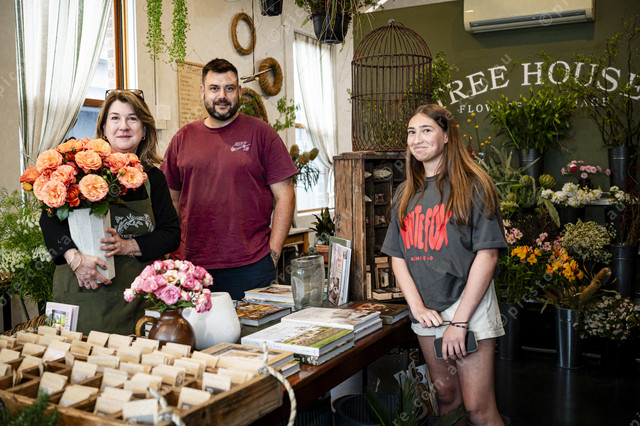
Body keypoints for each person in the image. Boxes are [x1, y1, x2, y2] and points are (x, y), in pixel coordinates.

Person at [381, 104, 506, 425]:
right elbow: (397, 256)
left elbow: (488, 256)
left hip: (469, 307)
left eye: (427, 130)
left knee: (478, 408)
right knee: (447, 398)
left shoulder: (475, 185)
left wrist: (460, 323)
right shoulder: (405, 193)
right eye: (411, 132)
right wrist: (417, 307)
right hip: (427, 312)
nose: (417, 139)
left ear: (447, 136)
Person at [40, 90, 181, 335]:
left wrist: (128, 246)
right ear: (103, 128)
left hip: (138, 301)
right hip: (83, 296)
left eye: (133, 119)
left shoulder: (153, 178)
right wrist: (75, 259)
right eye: (115, 118)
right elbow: (49, 224)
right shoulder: (76, 171)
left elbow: (171, 235)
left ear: (144, 130)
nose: (123, 126)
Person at [161, 58, 297, 301]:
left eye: (229, 88)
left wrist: (273, 256)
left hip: (251, 266)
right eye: (214, 88)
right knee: (193, 327)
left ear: (239, 92)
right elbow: (169, 200)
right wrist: (172, 253)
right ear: (202, 92)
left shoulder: (262, 134)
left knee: (252, 327)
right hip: (192, 266)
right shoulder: (183, 138)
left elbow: (285, 195)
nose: (222, 96)